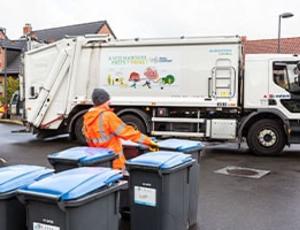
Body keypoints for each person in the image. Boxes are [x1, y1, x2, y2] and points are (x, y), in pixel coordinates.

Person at [83, 88, 158, 170]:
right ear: (103, 101)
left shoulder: (87, 118)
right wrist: (149, 142)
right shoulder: (107, 116)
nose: (110, 102)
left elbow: (95, 138)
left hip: (98, 161)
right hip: (114, 162)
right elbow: (127, 132)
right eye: (108, 101)